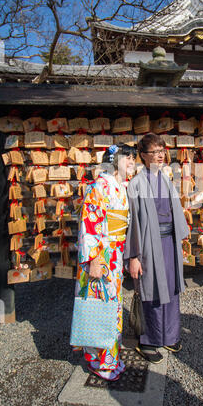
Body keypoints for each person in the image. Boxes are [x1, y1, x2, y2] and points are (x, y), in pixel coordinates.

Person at [72, 144, 136, 381]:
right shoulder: (99, 186)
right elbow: (90, 225)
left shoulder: (120, 186)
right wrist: (94, 259)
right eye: (128, 159)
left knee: (113, 307)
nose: (132, 164)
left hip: (115, 253)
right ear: (115, 160)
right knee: (100, 307)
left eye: (133, 160)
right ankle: (99, 362)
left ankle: (112, 358)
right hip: (102, 254)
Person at [124, 133, 189, 364]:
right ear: (143, 155)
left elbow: (174, 214)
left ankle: (169, 335)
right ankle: (148, 340)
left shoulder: (165, 178)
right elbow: (131, 224)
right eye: (154, 151)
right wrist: (133, 256)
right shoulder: (136, 184)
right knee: (150, 289)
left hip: (168, 243)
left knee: (170, 288)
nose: (160, 155)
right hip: (148, 245)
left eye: (162, 150)